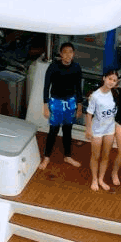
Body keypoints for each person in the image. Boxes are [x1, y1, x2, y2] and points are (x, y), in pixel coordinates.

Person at [40, 42, 84, 172]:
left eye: (70, 52)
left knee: (67, 130)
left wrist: (79, 106)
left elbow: (78, 88)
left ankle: (67, 156)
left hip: (71, 102)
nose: (68, 55)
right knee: (53, 130)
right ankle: (46, 157)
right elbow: (46, 87)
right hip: (56, 102)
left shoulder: (76, 67)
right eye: (65, 52)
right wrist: (46, 105)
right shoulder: (53, 67)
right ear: (60, 54)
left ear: (73, 54)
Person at [84, 67, 119, 192]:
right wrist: (88, 130)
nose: (111, 82)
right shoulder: (95, 96)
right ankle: (94, 179)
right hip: (97, 130)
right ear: (104, 78)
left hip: (110, 129)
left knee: (106, 155)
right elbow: (89, 114)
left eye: (114, 80)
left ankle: (101, 179)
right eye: (110, 79)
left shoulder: (115, 94)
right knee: (96, 156)